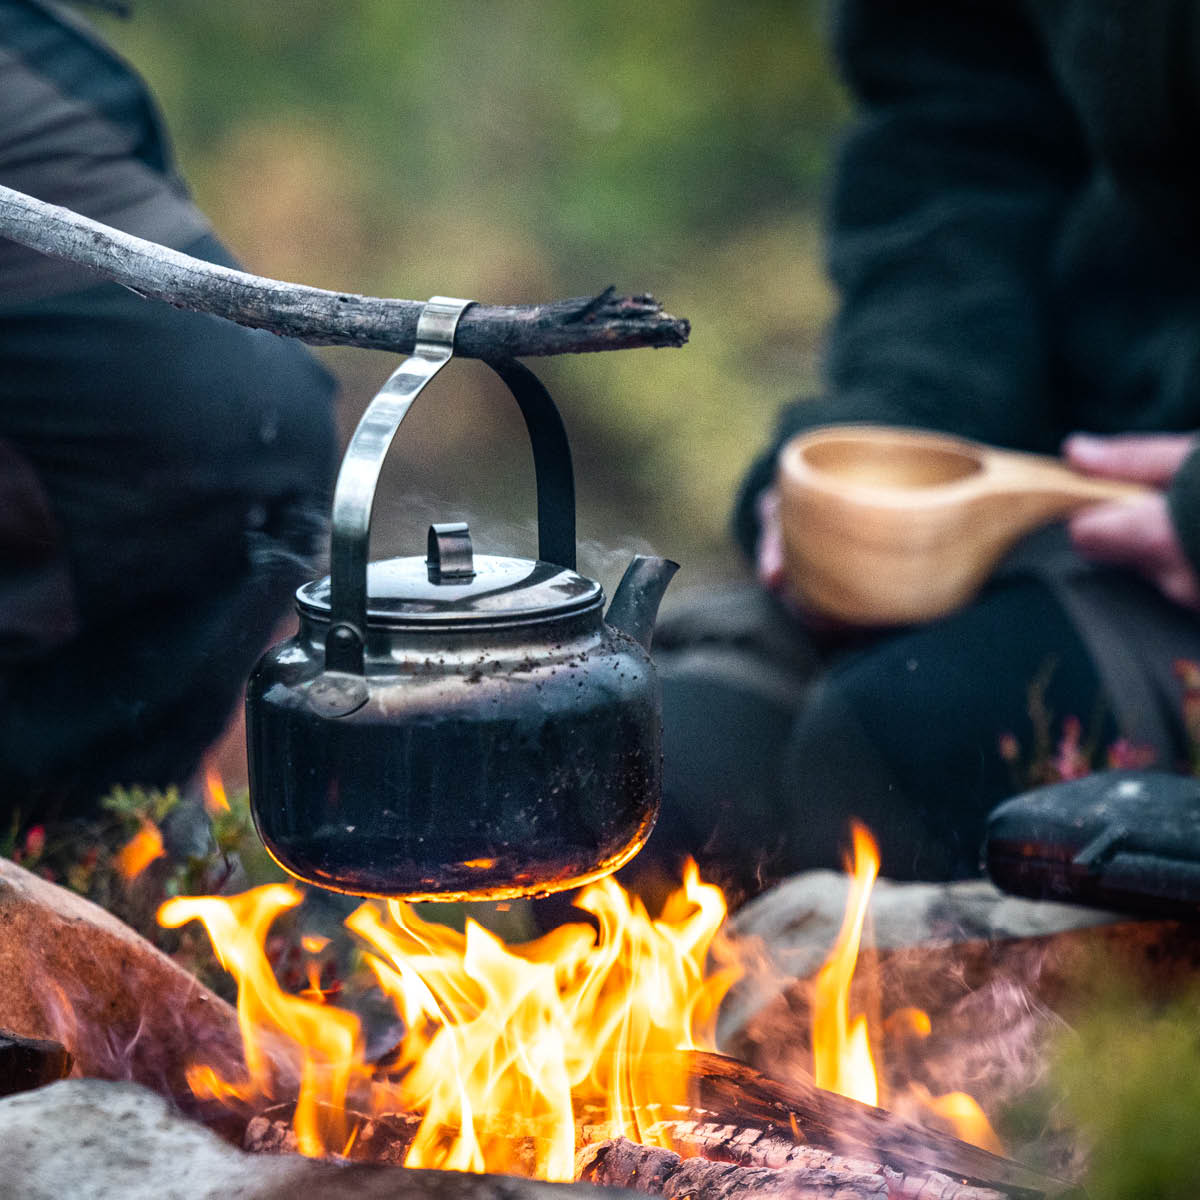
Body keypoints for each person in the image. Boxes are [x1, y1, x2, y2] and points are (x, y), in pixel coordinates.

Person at [644, 0, 1200, 895]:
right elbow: (959, 125)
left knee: (895, 747)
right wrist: (911, 411)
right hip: (1064, 462)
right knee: (660, 767)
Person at [0, 0, 337, 829]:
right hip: (274, 441)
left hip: (140, 459)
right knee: (103, 811)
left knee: (68, 814)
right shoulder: (46, 54)